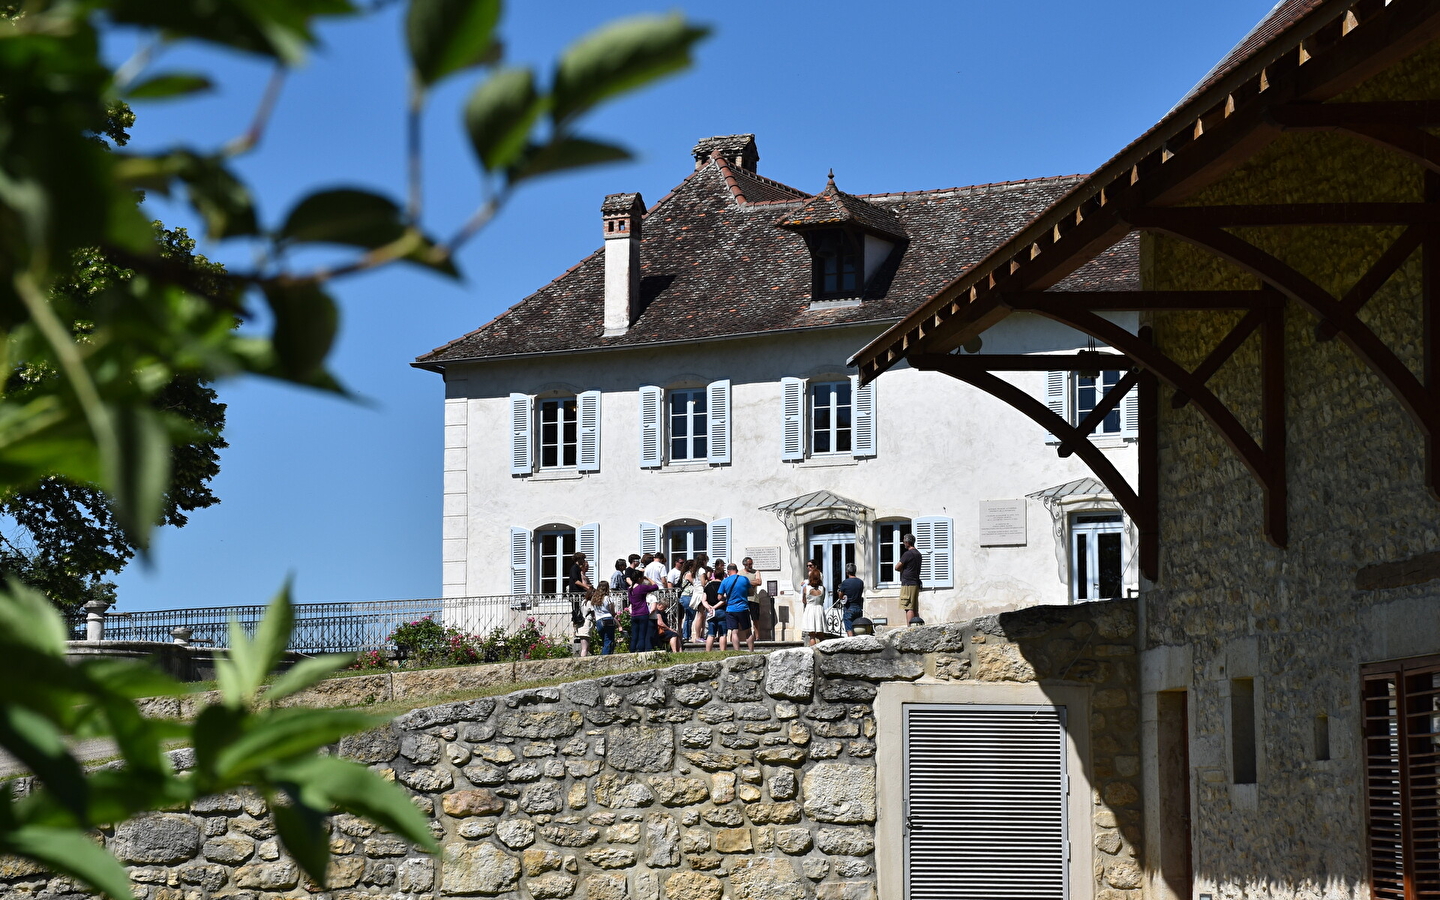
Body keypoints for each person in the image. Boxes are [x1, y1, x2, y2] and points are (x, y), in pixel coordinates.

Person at [718, 563, 754, 652]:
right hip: (743, 608)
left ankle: (737, 651)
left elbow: (719, 597)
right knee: (748, 631)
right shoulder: (744, 579)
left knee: (734, 632)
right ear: (737, 570)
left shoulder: (725, 581)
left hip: (730, 609)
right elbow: (751, 592)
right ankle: (751, 650)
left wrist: (726, 598)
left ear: (728, 571)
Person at [896, 532, 923, 625]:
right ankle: (916, 627)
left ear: (907, 542)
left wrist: (903, 569)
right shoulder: (918, 554)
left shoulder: (907, 554)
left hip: (908, 583)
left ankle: (910, 628)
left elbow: (897, 567)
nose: (903, 543)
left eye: (904, 541)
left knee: (908, 607)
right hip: (915, 582)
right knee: (914, 607)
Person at [628, 576, 658, 652]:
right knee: (642, 635)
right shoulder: (645, 591)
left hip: (634, 614)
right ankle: (640, 651)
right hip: (643, 614)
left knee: (634, 635)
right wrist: (648, 578)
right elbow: (655, 586)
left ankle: (632, 651)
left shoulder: (631, 590)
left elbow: (630, 605)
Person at [703, 559, 727, 651]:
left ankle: (708, 652)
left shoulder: (708, 586)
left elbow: (703, 600)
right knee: (722, 634)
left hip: (710, 612)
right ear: (722, 576)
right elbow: (723, 600)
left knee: (711, 633)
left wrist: (709, 607)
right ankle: (722, 652)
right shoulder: (723, 585)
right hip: (721, 611)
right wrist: (715, 607)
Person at [800, 569, 828, 646]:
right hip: (819, 609)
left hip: (810, 610)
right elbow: (823, 600)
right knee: (821, 635)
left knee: (812, 636)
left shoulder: (806, 588)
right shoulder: (823, 588)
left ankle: (813, 652)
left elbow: (804, 600)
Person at [567, 552, 591, 636]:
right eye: (583, 559)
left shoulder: (578, 568)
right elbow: (576, 581)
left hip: (578, 594)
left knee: (579, 612)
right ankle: (575, 632)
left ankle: (578, 631)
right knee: (576, 612)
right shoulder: (574, 568)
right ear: (579, 559)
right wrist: (587, 587)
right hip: (575, 594)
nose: (584, 561)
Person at [838, 563, 865, 637]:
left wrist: (841, 595)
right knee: (858, 629)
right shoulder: (860, 582)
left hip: (849, 607)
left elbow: (840, 596)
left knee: (849, 629)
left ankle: (852, 646)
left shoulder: (845, 582)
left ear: (847, 572)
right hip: (858, 607)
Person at [590, 585, 617, 656]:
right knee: (608, 641)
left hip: (599, 621)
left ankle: (605, 656)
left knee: (604, 641)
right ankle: (604, 658)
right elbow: (612, 611)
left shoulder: (594, 598)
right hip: (608, 619)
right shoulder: (607, 598)